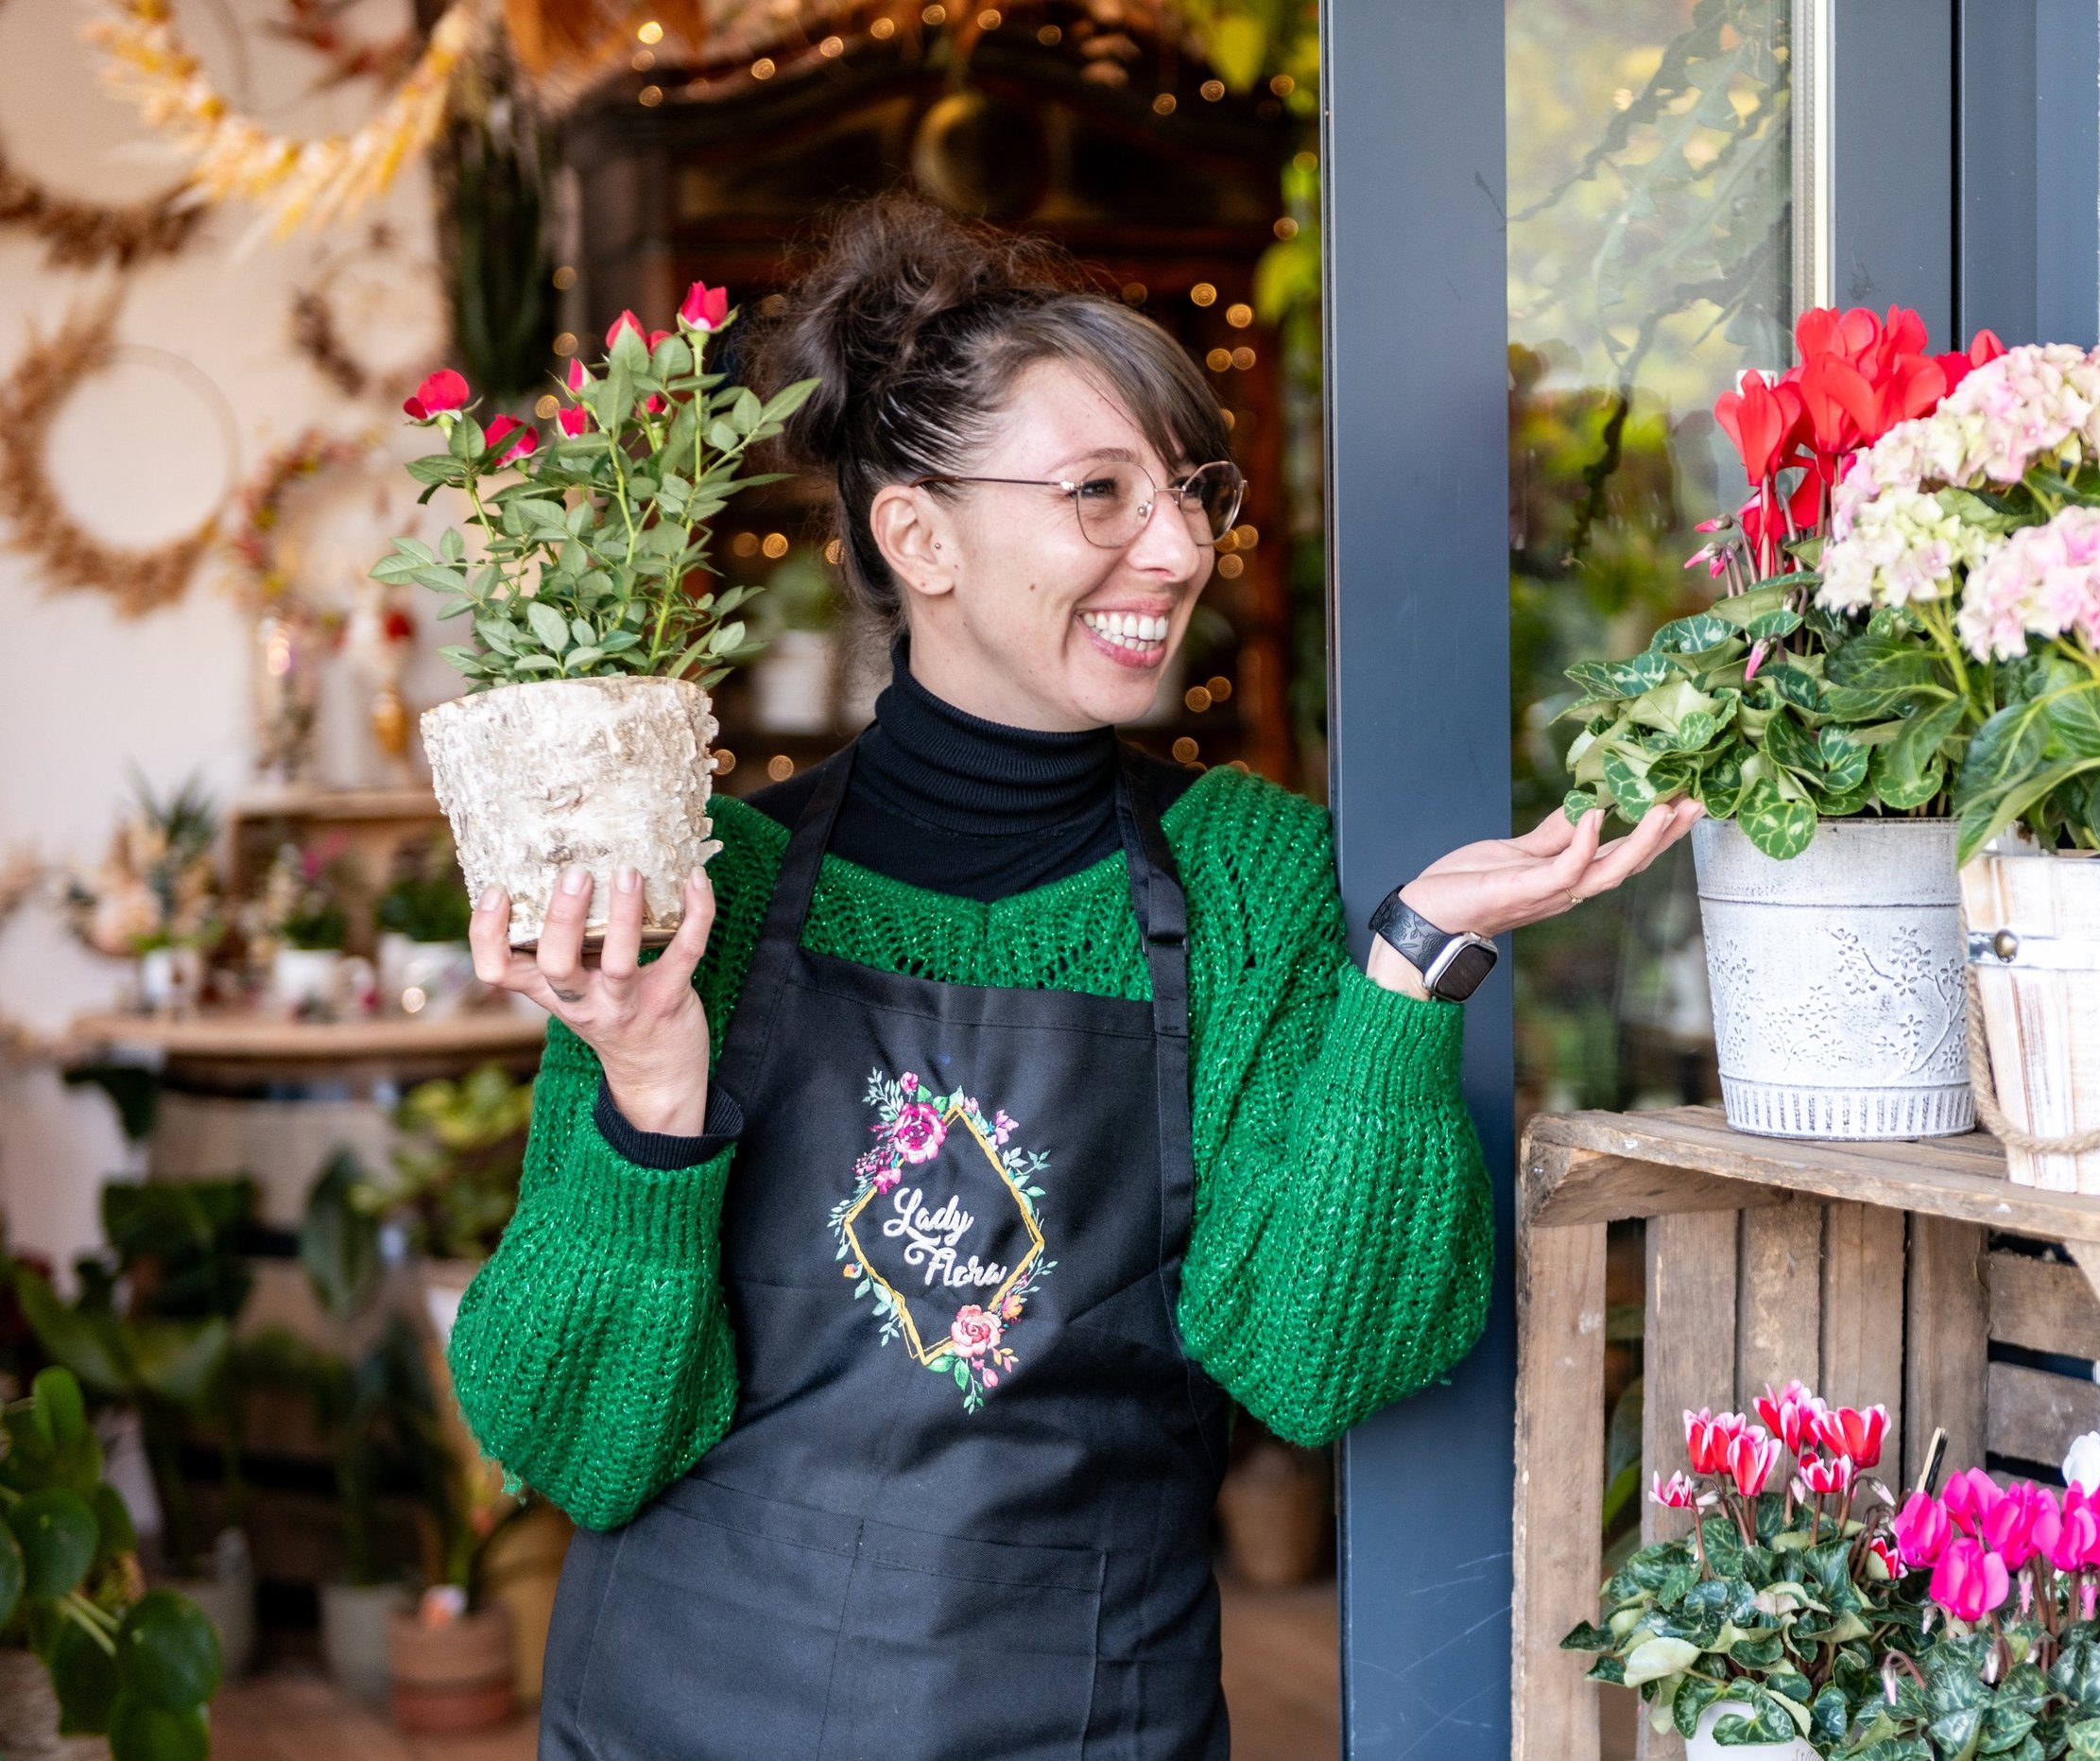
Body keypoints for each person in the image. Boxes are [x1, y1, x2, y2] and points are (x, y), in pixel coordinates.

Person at [446, 192, 1698, 1761]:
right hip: (690, 1710)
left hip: (1081, 1712)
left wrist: (1407, 977)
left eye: (1189, 491)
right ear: (919, 536)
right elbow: (571, 1442)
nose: (1176, 549)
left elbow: (1319, 1362)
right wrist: (645, 1100)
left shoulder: (1244, 876)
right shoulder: (712, 885)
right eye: (1100, 493)